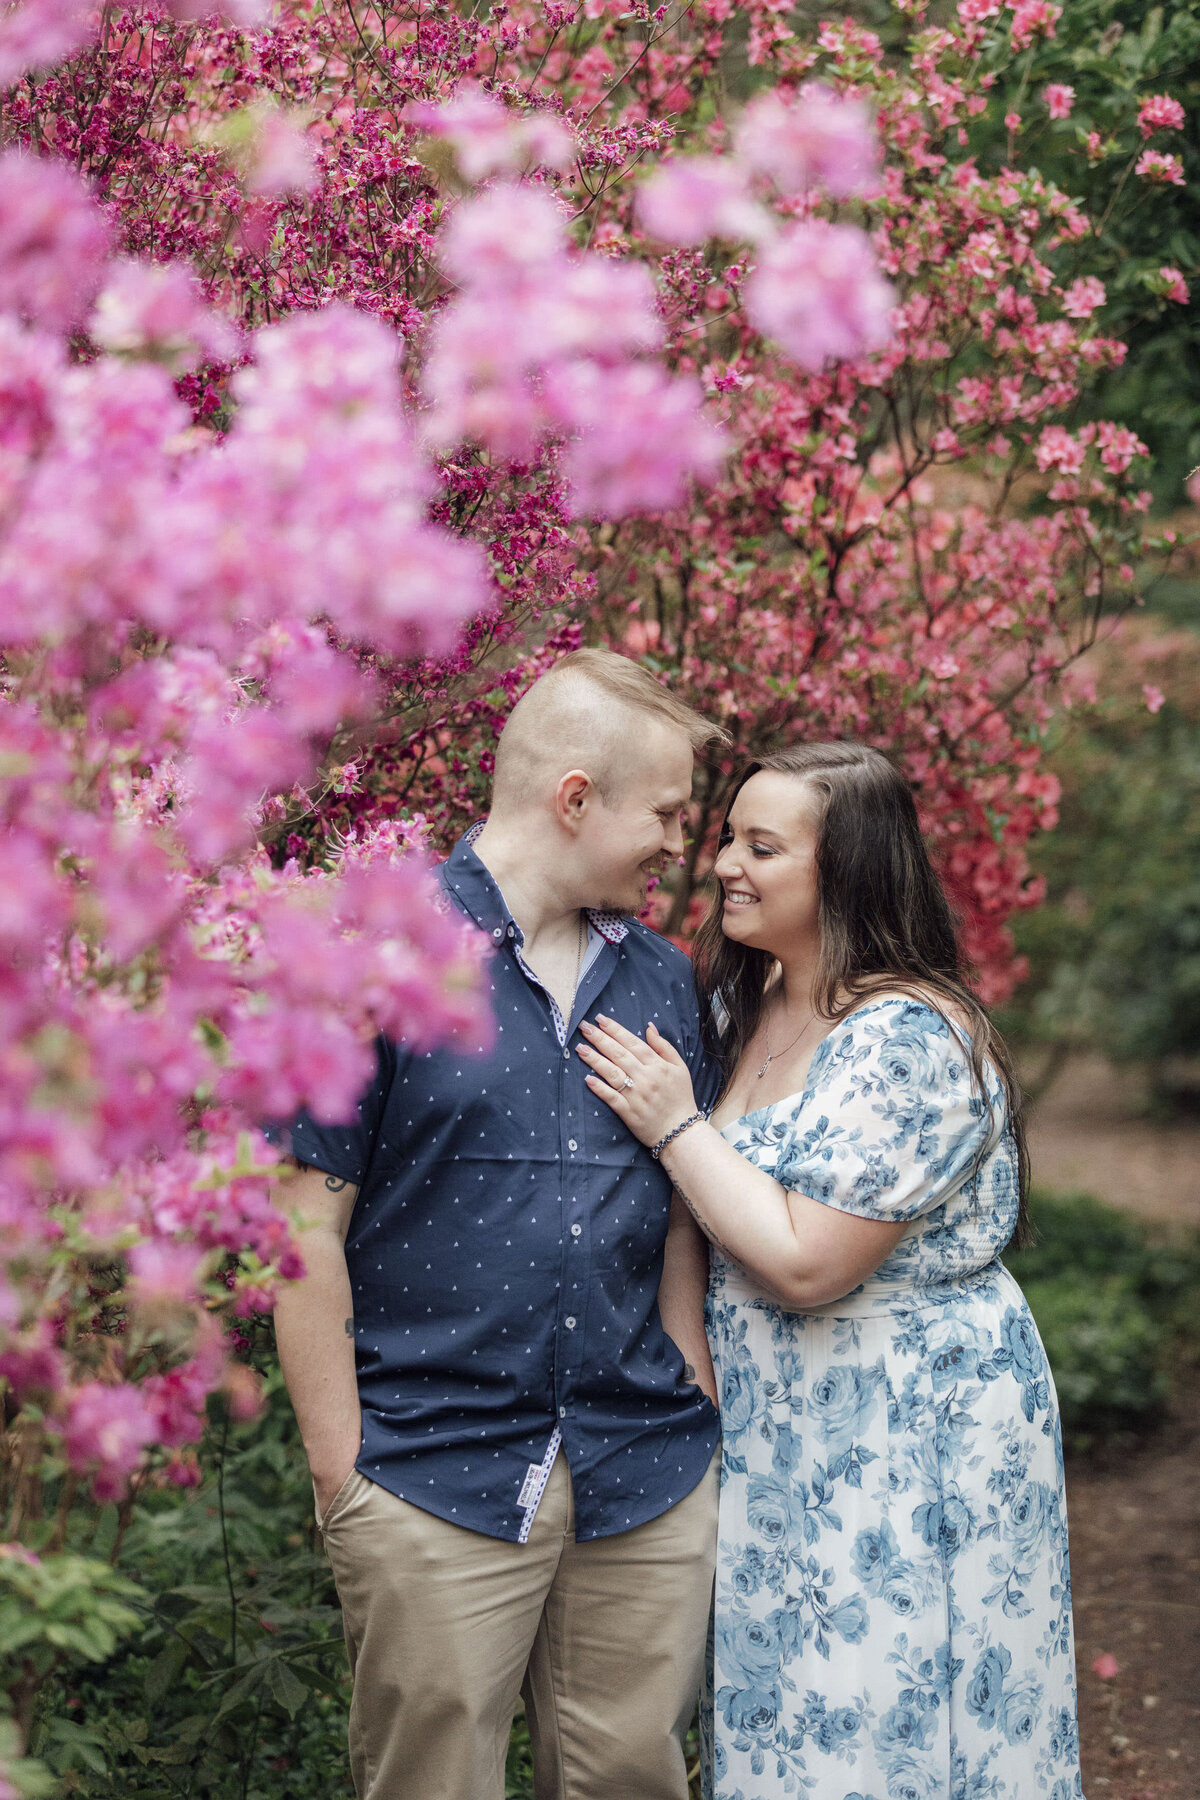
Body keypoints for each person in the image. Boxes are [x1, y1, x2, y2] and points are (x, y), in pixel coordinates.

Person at [578, 742, 1084, 1800]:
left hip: (910, 1425)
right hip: (776, 1421)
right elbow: (693, 1225)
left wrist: (675, 1124)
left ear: (846, 871)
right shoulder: (737, 1007)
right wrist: (692, 1375)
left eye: (764, 846)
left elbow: (810, 1263)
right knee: (787, 1708)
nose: (724, 864)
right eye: (727, 837)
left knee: (889, 1711)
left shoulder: (908, 1040)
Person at [272, 648, 727, 1800]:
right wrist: (344, 1479)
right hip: (430, 1473)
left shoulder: (665, 980)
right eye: (667, 813)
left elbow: (680, 1216)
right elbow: (298, 1230)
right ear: (576, 799)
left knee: (633, 1778)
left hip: (643, 1469)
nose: (684, 843)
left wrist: (692, 1376)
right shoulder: (376, 957)